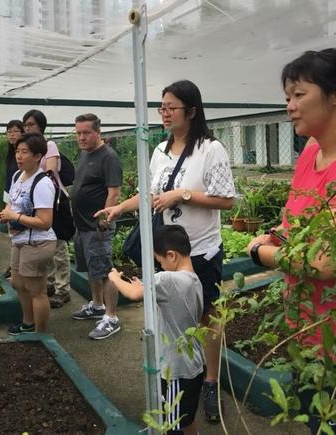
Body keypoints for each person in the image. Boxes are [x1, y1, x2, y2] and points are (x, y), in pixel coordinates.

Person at [96, 80, 235, 422]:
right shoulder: (159, 152)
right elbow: (148, 194)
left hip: (199, 252)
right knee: (172, 320)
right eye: (162, 107)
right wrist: (119, 209)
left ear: (192, 110)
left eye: (171, 107)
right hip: (166, 254)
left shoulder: (210, 149)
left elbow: (226, 200)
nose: (165, 113)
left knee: (207, 317)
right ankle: (180, 379)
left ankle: (210, 381)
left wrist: (182, 195)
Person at [246, 49, 336, 434]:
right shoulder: (310, 153)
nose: (290, 106)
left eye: (299, 94)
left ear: (333, 95)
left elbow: (324, 264)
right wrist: (273, 236)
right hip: (306, 332)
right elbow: (291, 225)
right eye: (287, 97)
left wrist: (258, 251)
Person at [108, 225, 204, 435]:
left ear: (171, 255)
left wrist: (115, 278)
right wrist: (145, 286)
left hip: (175, 369)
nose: (159, 266)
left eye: (159, 261)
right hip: (194, 364)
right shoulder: (193, 280)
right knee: (186, 417)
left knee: (172, 424)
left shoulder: (167, 280)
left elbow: (133, 294)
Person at [69, 114, 124, 340]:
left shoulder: (108, 157)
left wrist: (104, 221)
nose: (81, 137)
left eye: (86, 133)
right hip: (82, 226)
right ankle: (97, 305)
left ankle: (111, 318)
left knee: (105, 271)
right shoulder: (85, 154)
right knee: (93, 269)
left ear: (97, 132)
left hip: (97, 227)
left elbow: (114, 192)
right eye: (78, 133)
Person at [0, 133, 57, 334]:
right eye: (17, 151)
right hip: (19, 239)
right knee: (18, 283)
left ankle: (40, 334)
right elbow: (12, 202)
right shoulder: (17, 176)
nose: (19, 156)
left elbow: (45, 222)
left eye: (24, 152)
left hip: (38, 242)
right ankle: (28, 322)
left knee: (36, 290)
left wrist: (15, 216)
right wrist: (6, 213)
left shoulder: (42, 183)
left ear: (38, 156)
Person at [22, 109, 72, 308]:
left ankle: (63, 290)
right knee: (45, 246)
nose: (28, 128)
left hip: (54, 204)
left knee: (59, 248)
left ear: (41, 126)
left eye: (31, 125)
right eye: (25, 125)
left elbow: (49, 172)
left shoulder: (49, 145)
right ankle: (50, 283)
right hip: (38, 203)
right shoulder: (27, 147)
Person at [3, 120, 25, 203]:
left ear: (23, 133)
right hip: (10, 193)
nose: (11, 134)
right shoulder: (10, 154)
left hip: (21, 196)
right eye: (9, 132)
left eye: (15, 131)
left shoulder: (27, 154)